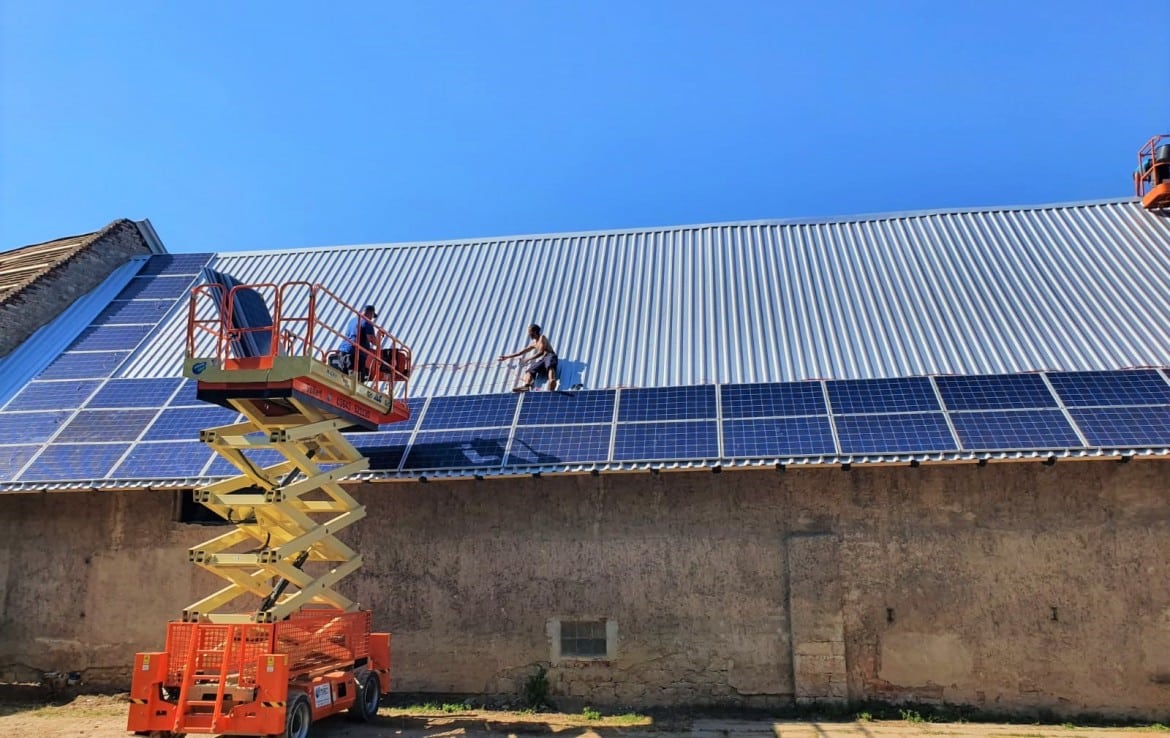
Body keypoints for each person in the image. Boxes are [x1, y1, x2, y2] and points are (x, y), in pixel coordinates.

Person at [499, 323, 558, 391]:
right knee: (530, 370)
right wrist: (506, 357)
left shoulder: (542, 337)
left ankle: (552, 381)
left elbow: (541, 352)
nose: (529, 334)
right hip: (543, 359)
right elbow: (520, 352)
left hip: (550, 355)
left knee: (550, 365)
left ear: (534, 332)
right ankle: (526, 386)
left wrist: (528, 359)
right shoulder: (534, 344)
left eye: (529, 332)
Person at [340, 304, 378, 378]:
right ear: (370, 313)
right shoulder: (367, 322)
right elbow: (372, 339)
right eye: (372, 316)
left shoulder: (353, 320)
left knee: (344, 377)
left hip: (343, 351)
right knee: (356, 380)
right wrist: (378, 342)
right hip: (355, 354)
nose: (372, 318)